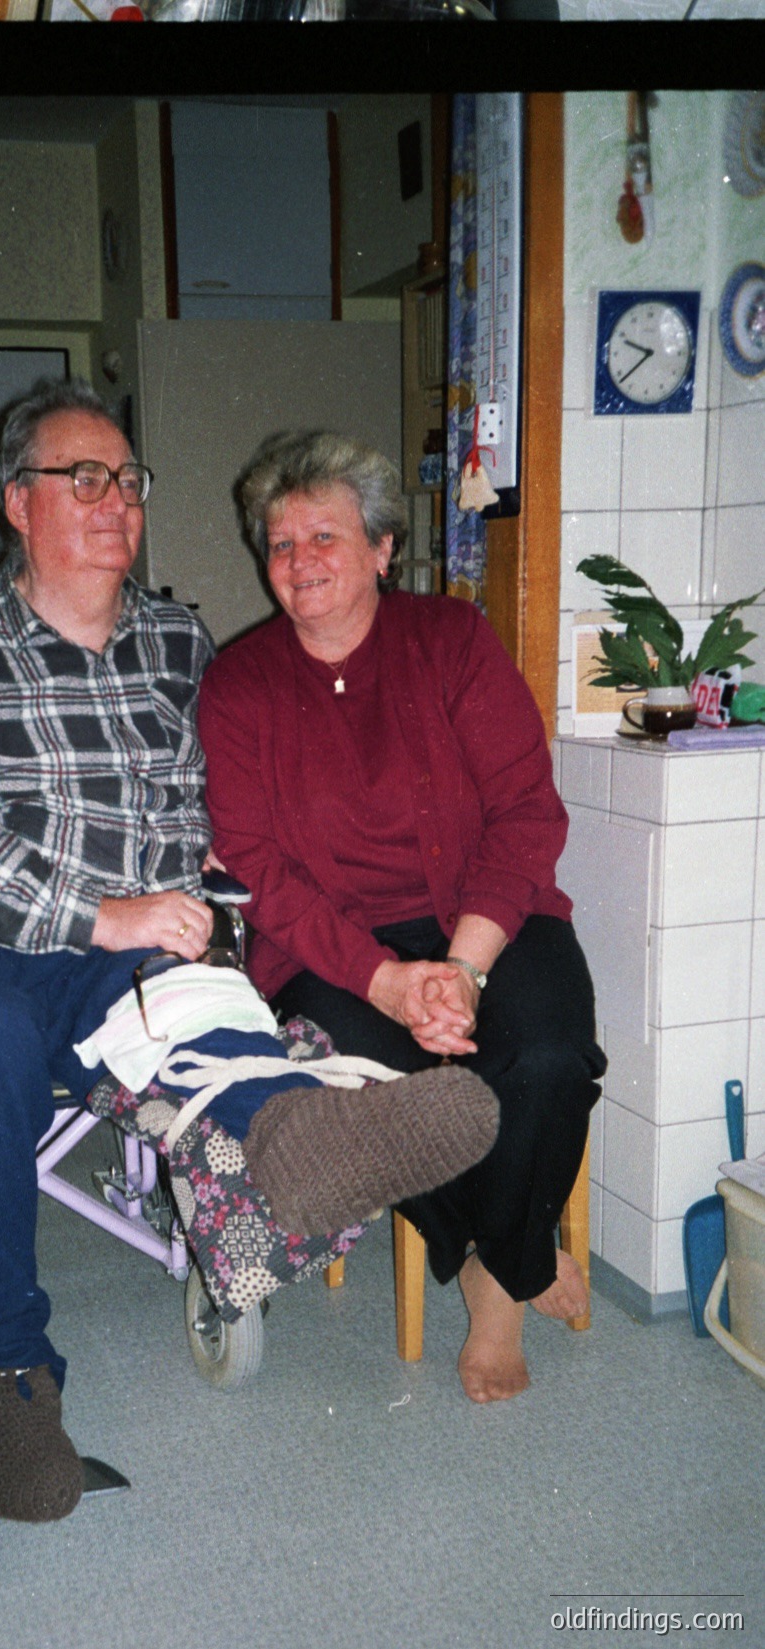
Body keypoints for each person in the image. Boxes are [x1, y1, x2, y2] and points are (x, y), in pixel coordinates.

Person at [0, 382, 499, 1523]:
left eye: (127, 480)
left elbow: (232, 795)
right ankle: (3, 1379)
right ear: (17, 501)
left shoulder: (175, 642)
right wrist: (96, 911)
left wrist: (235, 869)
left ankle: (298, 1133)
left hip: (142, 939)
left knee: (203, 1002)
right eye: (83, 478)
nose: (115, 500)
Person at [198, 429, 607, 1406]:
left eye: (324, 537)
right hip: (328, 949)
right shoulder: (239, 685)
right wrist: (383, 979)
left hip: (487, 919)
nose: (299, 561)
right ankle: (513, 1255)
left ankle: (497, 1265)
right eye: (281, 543)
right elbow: (254, 865)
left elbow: (524, 813)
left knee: (548, 1056)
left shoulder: (450, 640)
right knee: (387, 1095)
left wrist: (461, 969)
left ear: (382, 547)